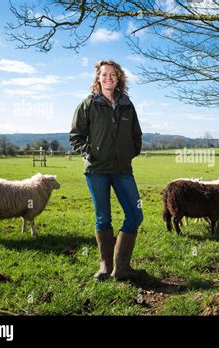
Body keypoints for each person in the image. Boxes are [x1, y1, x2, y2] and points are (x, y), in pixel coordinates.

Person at [70, 59, 145, 281]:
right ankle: (105, 266)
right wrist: (89, 153)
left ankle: (121, 268)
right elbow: (76, 136)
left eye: (112, 74)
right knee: (103, 218)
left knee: (135, 214)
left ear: (118, 77)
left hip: (123, 170)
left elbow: (136, 134)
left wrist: (130, 151)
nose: (108, 78)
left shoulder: (127, 105)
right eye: (104, 74)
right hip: (96, 171)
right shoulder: (88, 104)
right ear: (98, 78)